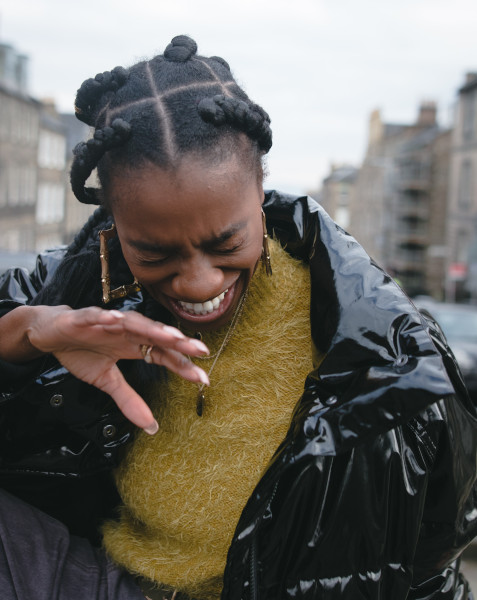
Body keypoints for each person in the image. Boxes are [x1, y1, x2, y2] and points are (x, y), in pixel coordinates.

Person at [0, 34, 476, 600]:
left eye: (227, 242)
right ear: (114, 223)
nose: (199, 281)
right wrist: (22, 340)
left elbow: (428, 564)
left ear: (261, 193)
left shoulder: (386, 350)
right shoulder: (68, 290)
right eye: (155, 252)